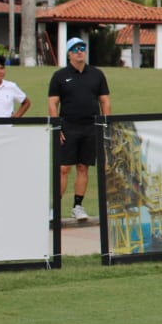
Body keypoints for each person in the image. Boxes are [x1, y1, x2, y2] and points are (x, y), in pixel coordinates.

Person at [48, 37, 111, 222]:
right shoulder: (60, 76)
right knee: (64, 168)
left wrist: (105, 125)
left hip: (91, 126)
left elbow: (105, 100)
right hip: (68, 125)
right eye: (75, 49)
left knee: (83, 167)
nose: (79, 52)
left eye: (82, 48)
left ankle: (78, 205)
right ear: (69, 53)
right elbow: (53, 103)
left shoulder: (97, 74)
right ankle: (55, 208)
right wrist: (56, 126)